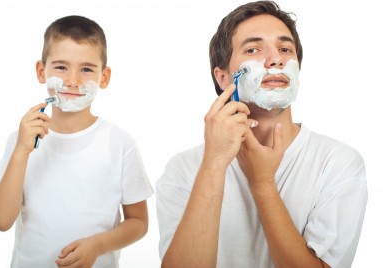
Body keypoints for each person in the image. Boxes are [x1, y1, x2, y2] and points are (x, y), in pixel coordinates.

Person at [156, 1, 367, 267]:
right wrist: (214, 162)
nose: (276, 59)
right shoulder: (184, 168)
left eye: (285, 49)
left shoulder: (338, 162)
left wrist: (263, 183)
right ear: (223, 79)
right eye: (253, 49)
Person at [0, 15, 153, 268]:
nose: (73, 80)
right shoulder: (20, 141)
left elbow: (139, 223)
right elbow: (0, 221)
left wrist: (97, 245)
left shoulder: (120, 143)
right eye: (61, 67)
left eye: (86, 69)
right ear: (42, 72)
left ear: (104, 77)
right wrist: (22, 151)